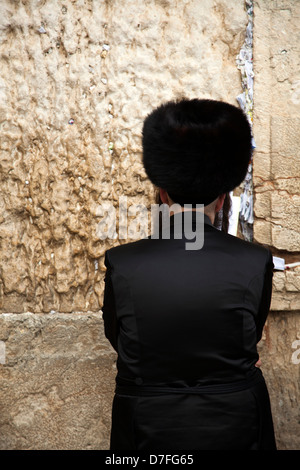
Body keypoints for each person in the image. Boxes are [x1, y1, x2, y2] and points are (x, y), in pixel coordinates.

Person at [102, 98, 276, 450]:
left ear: (163, 195)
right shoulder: (255, 261)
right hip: (237, 423)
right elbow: (248, 337)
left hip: (148, 424)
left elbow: (119, 339)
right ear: (224, 197)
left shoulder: (122, 263)